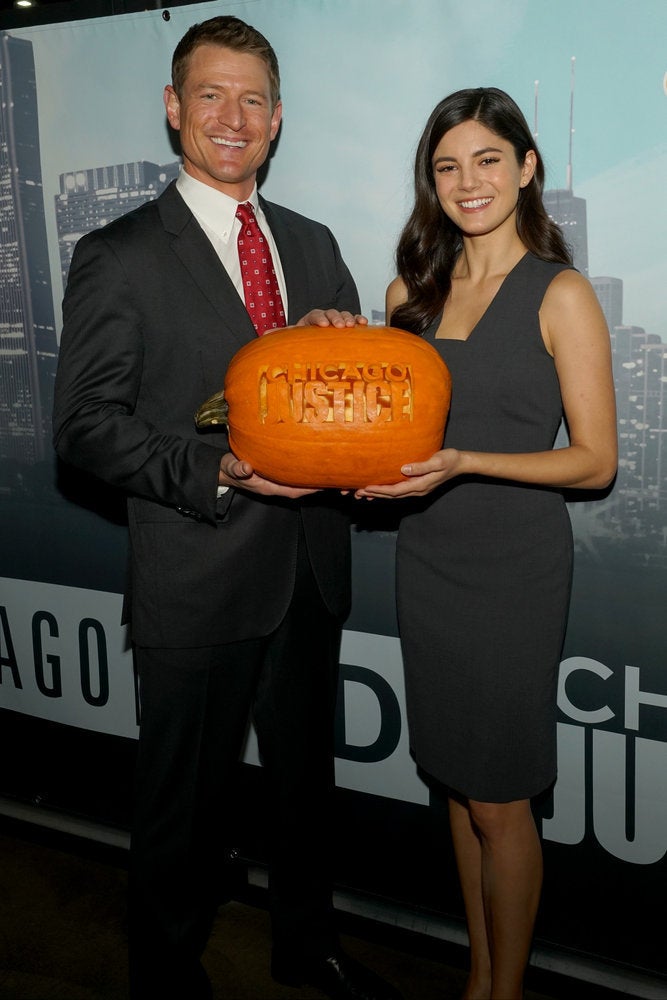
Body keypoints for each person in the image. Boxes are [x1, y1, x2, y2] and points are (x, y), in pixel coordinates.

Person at [53, 15, 402, 1000]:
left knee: (305, 791)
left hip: (307, 570)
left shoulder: (313, 243)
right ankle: (165, 973)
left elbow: (351, 400)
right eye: (210, 94)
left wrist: (351, 345)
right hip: (196, 573)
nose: (232, 116)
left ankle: (306, 946)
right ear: (173, 109)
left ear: (279, 118)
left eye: (253, 99)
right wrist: (219, 471)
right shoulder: (118, 254)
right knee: (182, 809)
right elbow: (82, 425)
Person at [356, 88, 617, 999]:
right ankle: (478, 977)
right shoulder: (405, 294)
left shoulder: (560, 291)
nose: (467, 182)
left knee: (501, 800)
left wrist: (466, 459)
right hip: (425, 559)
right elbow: (386, 427)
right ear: (430, 182)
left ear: (527, 167)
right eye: (446, 166)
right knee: (458, 788)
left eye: (487, 160)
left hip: (512, 571)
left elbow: (593, 463)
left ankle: (504, 993)